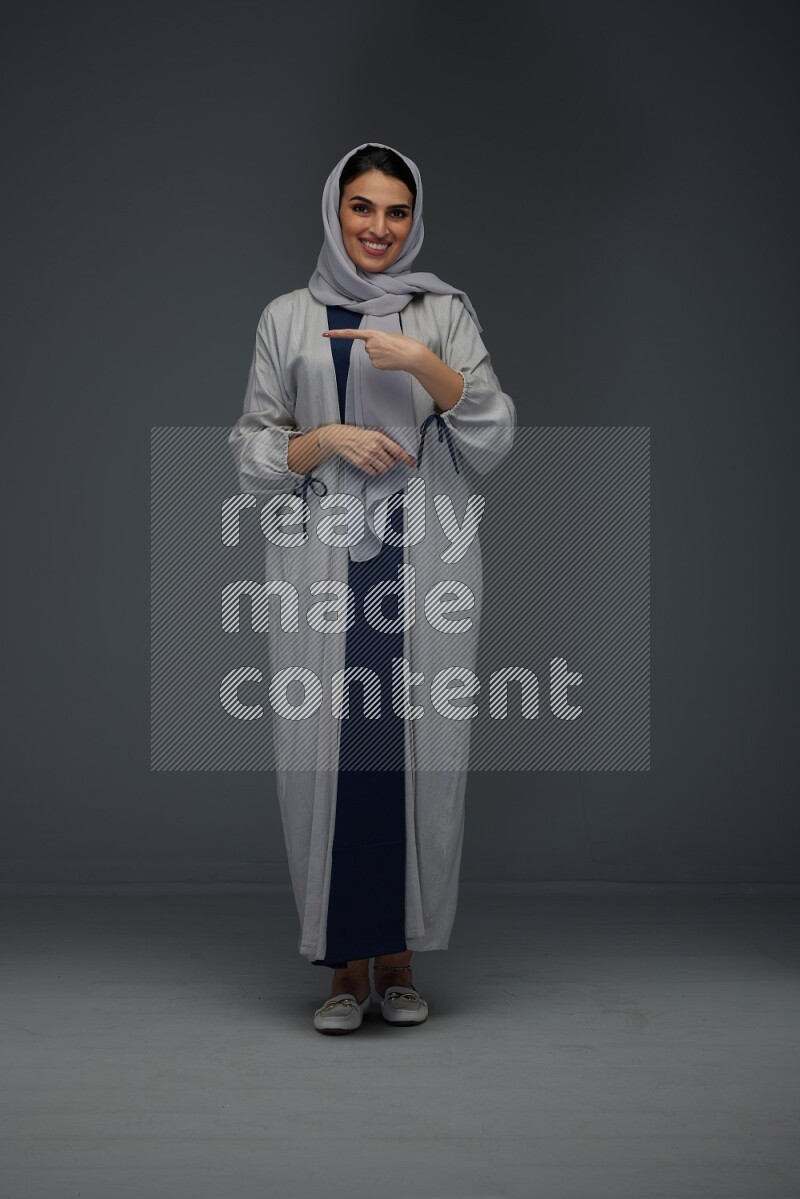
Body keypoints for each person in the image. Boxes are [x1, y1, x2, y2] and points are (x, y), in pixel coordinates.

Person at [228, 142, 516, 1034]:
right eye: (363, 208)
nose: (379, 228)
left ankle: (399, 957)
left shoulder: (445, 312)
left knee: (421, 751)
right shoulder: (287, 317)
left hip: (422, 559)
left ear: (413, 217)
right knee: (325, 751)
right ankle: (341, 965)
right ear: (334, 210)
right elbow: (250, 451)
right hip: (323, 563)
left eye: (396, 211)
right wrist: (328, 441)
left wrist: (423, 365)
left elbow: (494, 438)